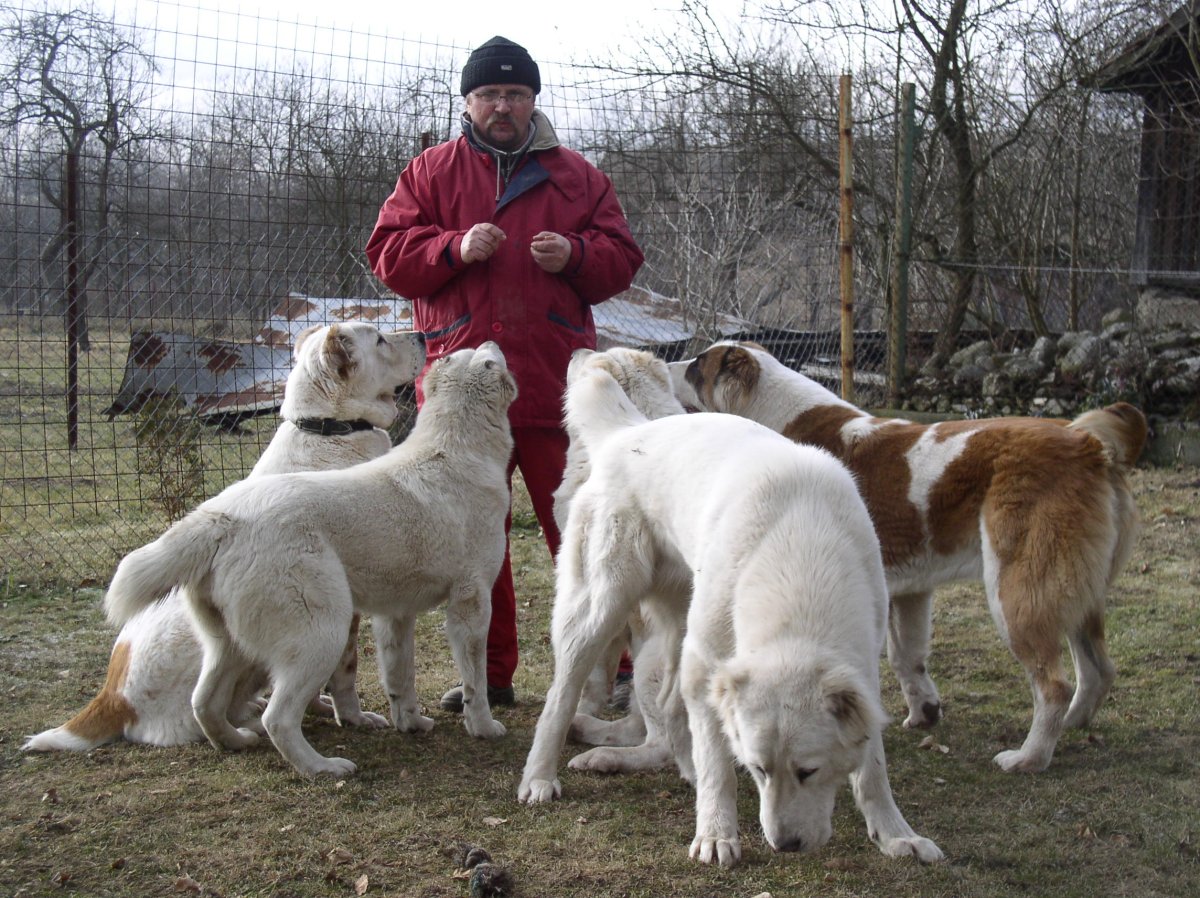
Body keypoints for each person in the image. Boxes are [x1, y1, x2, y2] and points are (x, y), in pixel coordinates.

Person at [365, 36, 644, 712]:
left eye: (515, 94)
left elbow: (622, 258)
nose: (502, 105)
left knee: (588, 531)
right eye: (489, 93)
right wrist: (451, 247)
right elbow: (387, 255)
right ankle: (487, 678)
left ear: (532, 102)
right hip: (462, 400)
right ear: (467, 101)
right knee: (473, 545)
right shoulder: (429, 173)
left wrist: (576, 253)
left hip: (555, 390)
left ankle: (627, 668)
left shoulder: (578, 176)